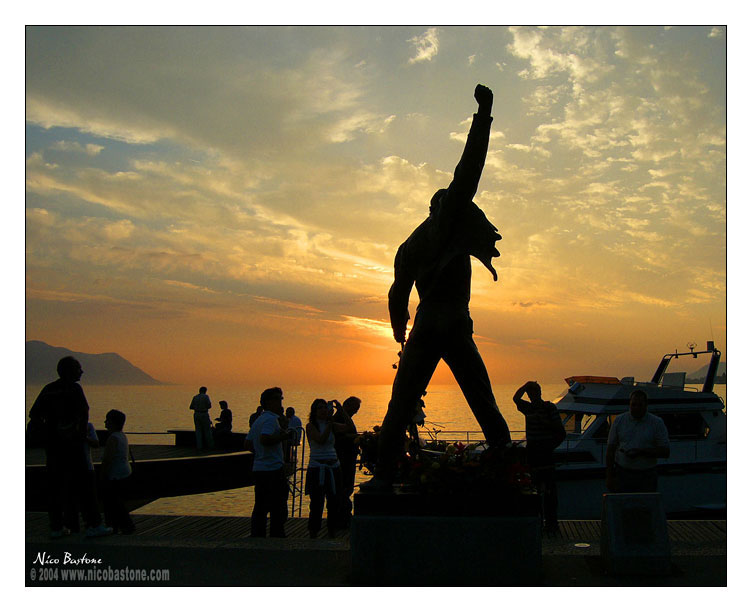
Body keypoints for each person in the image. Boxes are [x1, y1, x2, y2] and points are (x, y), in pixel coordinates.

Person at [363, 84, 511, 489]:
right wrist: (484, 115)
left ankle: (383, 479)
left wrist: (398, 329)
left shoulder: (408, 245)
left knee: (401, 404)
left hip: (425, 324)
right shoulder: (447, 225)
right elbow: (468, 172)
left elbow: (397, 293)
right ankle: (506, 470)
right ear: (442, 208)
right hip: (452, 324)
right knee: (483, 402)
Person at [28, 356, 112, 538]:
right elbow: (83, 414)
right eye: (78, 368)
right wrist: (74, 432)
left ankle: (56, 527)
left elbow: (34, 414)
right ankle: (93, 524)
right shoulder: (74, 389)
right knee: (85, 487)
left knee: (56, 488)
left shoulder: (49, 390)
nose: (82, 372)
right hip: (73, 448)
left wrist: (50, 431)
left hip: (53, 448)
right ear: (69, 371)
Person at [513, 381, 565, 532]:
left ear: (540, 393)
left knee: (549, 491)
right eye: (530, 393)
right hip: (533, 454)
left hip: (546, 453)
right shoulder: (528, 408)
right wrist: (524, 386)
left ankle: (552, 523)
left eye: (534, 392)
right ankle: (537, 522)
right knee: (533, 490)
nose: (533, 396)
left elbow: (560, 432)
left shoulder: (549, 408)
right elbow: (516, 399)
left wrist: (549, 443)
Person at [246, 387, 294, 537]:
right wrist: (283, 437)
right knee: (278, 507)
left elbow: (247, 444)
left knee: (260, 506)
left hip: (259, 468)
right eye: (278, 399)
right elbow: (265, 438)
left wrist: (261, 453)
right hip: (272, 470)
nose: (281, 402)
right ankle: (276, 536)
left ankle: (258, 536)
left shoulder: (259, 420)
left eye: (281, 398)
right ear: (268, 402)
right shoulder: (271, 419)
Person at [305, 399, 354, 538]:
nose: (323, 410)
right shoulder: (311, 426)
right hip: (317, 468)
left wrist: (341, 410)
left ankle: (332, 529)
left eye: (324, 408)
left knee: (334, 501)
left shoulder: (331, 425)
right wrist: (330, 424)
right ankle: (314, 530)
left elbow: (349, 427)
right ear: (314, 411)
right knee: (316, 502)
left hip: (333, 467)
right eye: (319, 408)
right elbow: (320, 439)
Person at [606, 389, 670, 493]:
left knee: (645, 506)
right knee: (624, 506)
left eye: (640, 405)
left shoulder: (657, 423)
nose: (636, 408)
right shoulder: (619, 420)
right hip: (622, 473)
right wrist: (609, 476)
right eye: (633, 404)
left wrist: (641, 452)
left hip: (647, 475)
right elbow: (610, 450)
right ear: (629, 404)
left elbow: (665, 451)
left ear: (646, 405)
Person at [100, 409, 135, 535]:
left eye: (107, 420)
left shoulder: (113, 438)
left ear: (113, 423)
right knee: (117, 502)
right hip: (125, 472)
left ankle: (122, 525)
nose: (105, 423)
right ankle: (119, 525)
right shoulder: (122, 436)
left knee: (113, 502)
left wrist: (102, 475)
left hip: (116, 475)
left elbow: (108, 459)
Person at [333, 396, 360, 526]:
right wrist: (356, 437)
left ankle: (343, 516)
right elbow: (339, 437)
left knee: (346, 488)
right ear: (347, 406)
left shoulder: (343, 417)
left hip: (348, 458)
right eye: (355, 408)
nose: (356, 411)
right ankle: (341, 517)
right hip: (343, 458)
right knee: (343, 487)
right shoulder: (338, 418)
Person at [189, 386, 213, 450]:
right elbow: (209, 406)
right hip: (204, 413)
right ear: (205, 391)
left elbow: (191, 407)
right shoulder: (206, 397)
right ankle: (210, 445)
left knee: (198, 430)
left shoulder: (195, 397)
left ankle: (199, 446)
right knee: (207, 430)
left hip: (196, 414)